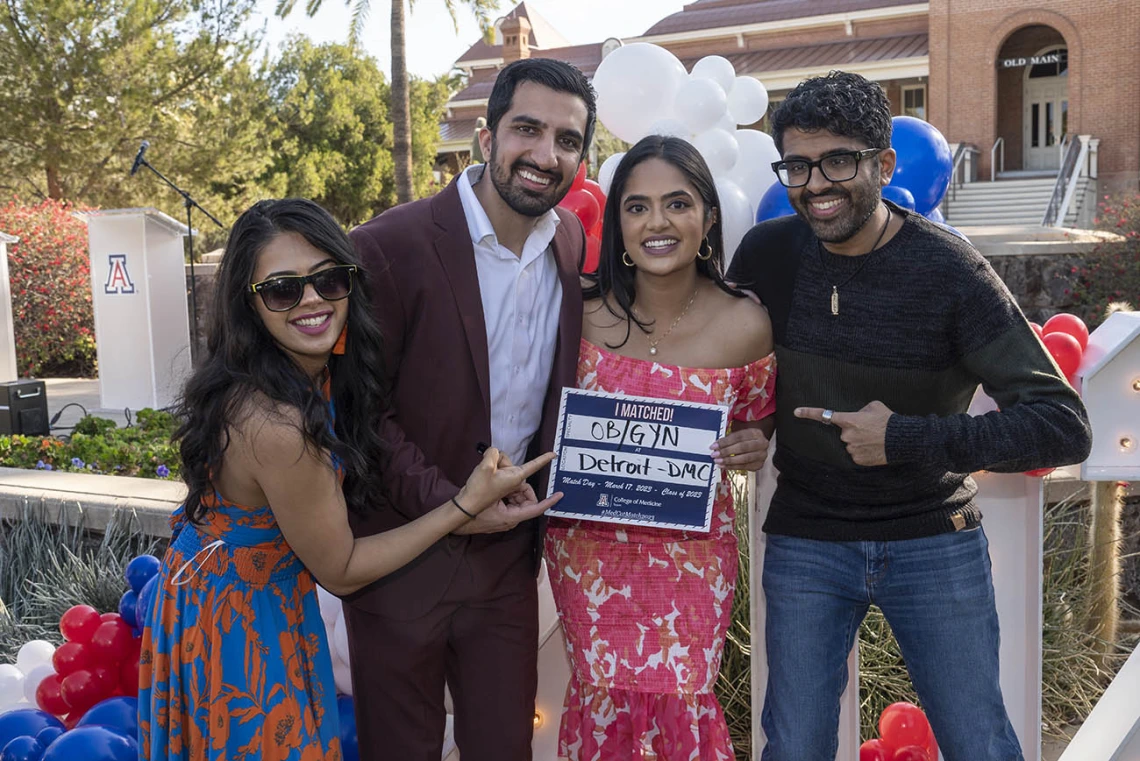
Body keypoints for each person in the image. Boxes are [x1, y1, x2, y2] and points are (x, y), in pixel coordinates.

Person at [726, 71, 1092, 761]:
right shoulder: (768, 255)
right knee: (794, 747)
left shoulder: (952, 271)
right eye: (798, 165)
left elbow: (1060, 423)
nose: (815, 183)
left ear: (884, 164)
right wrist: (758, 427)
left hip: (933, 540)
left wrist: (905, 438)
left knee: (978, 743)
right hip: (808, 540)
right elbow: (747, 369)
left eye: (838, 160)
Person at [138, 198, 556, 761]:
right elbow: (343, 569)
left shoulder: (308, 375)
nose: (311, 301)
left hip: (247, 598)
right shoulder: (277, 424)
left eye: (328, 279)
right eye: (284, 289)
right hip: (239, 623)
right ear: (249, 303)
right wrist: (462, 508)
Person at [343, 57, 595, 761]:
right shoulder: (387, 245)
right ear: (486, 138)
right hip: (402, 556)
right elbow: (361, 414)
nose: (546, 156)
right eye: (527, 129)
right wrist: (454, 504)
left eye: (567, 140)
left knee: (504, 747)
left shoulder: (569, 244)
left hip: (507, 569)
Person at [545, 135, 777, 760]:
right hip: (588, 553)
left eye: (677, 204)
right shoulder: (578, 310)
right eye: (637, 206)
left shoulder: (747, 323)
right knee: (601, 696)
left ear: (706, 217)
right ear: (618, 221)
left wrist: (756, 444)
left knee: (684, 697)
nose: (657, 223)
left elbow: (759, 419)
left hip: (693, 556)